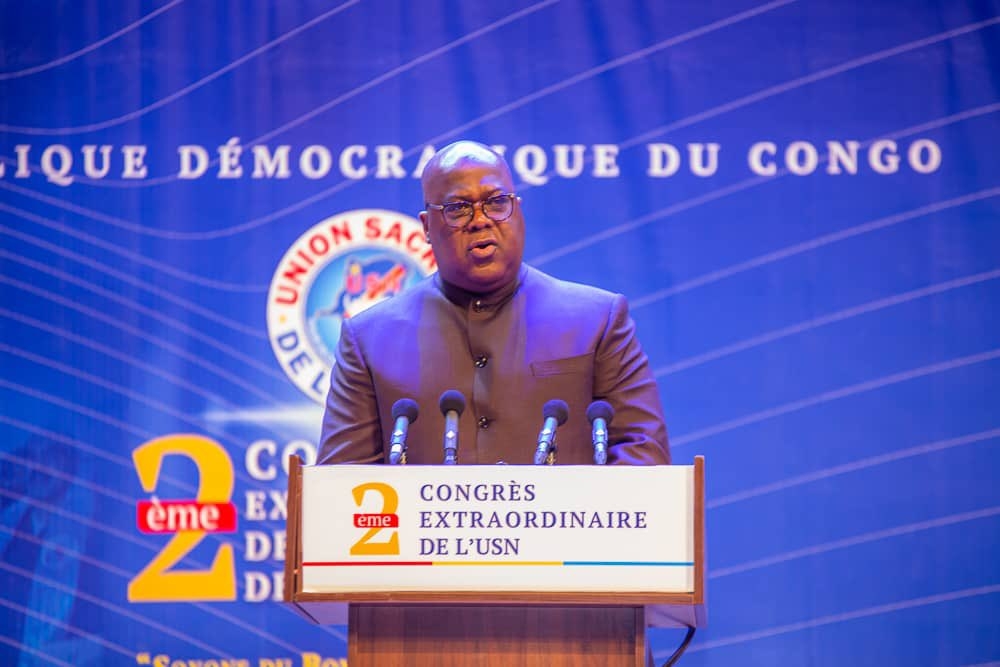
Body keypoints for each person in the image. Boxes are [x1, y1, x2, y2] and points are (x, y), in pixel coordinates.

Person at [318, 140, 670, 465]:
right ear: (426, 227)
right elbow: (340, 484)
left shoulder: (597, 321)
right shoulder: (369, 339)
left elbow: (644, 455)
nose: (481, 220)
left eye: (496, 202)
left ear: (517, 210)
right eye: (458, 209)